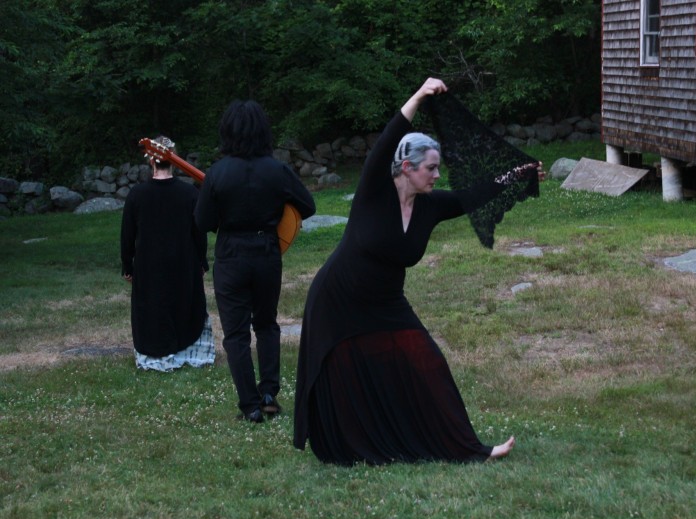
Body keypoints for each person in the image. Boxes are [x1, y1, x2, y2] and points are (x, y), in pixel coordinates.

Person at [293, 78, 520, 465]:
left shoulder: (431, 206)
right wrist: (417, 96)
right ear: (406, 167)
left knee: (427, 363)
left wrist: (515, 176)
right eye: (431, 169)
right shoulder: (373, 191)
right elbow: (387, 139)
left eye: (438, 168)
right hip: (339, 296)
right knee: (344, 373)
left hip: (386, 302)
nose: (436, 176)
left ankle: (471, 449)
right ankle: (348, 448)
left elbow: (471, 197)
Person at [195, 99, 316, 423]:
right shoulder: (277, 170)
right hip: (266, 251)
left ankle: (249, 405)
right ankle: (269, 397)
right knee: (266, 324)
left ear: (228, 132)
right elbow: (309, 205)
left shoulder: (218, 173)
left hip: (231, 254)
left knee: (235, 333)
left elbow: (203, 222)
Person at [120, 135, 214, 371]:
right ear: (174, 158)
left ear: (151, 160)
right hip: (183, 262)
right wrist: (201, 262)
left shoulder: (137, 195)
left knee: (154, 306)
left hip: (149, 265)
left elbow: (127, 235)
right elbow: (199, 233)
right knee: (184, 303)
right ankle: (190, 352)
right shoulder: (189, 194)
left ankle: (155, 355)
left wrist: (127, 266)